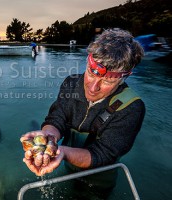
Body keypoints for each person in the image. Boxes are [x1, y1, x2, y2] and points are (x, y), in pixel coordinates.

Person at [20, 29, 145, 199]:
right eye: (92, 73)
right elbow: (58, 118)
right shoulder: (71, 84)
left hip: (100, 177)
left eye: (108, 81)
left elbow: (104, 153)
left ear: (126, 76)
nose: (93, 88)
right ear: (88, 62)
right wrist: (47, 137)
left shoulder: (132, 108)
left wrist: (62, 152)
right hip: (68, 166)